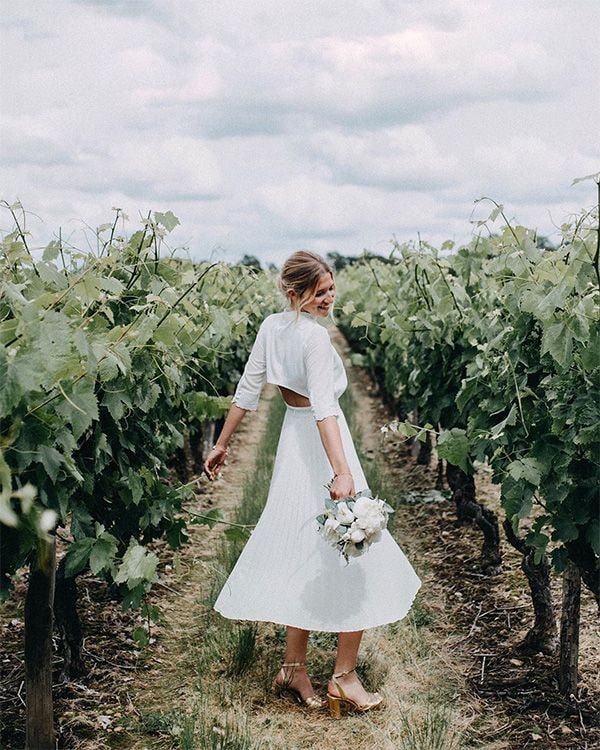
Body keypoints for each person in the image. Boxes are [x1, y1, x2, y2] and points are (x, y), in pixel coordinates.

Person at [203, 250, 421, 718]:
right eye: (320, 292)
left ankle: (295, 667)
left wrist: (221, 442)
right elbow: (324, 408)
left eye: (331, 289)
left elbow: (249, 391)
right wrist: (342, 471)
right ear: (294, 293)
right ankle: (343, 678)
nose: (329, 298)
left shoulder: (270, 327)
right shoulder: (315, 341)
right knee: (352, 548)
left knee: (306, 545)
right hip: (324, 443)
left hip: (293, 443)